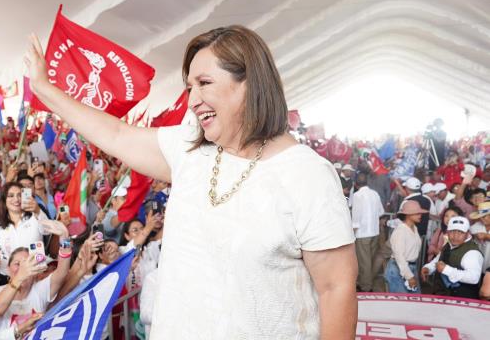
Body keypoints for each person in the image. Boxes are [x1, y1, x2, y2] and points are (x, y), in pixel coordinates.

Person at [25, 25, 356, 338]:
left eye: (204, 83)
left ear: (248, 84)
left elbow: (336, 289)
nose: (192, 99)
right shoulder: (188, 151)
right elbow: (115, 132)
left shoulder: (306, 175)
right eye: (189, 87)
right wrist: (44, 88)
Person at [0, 235, 71, 336]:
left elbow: (61, 272)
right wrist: (20, 276)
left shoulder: (38, 290)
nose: (23, 267)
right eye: (17, 264)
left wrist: (65, 238)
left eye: (27, 263)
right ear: (8, 269)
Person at [0, 183, 44, 278]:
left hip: (36, 274)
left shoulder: (35, 217)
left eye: (20, 195)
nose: (16, 199)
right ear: (4, 200)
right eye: (10, 196)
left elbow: (47, 231)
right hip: (8, 278)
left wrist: (38, 211)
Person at [421, 216, 484, 299]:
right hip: (443, 294)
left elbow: (473, 278)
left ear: (467, 233)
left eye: (460, 232)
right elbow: (439, 259)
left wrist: (446, 270)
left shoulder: (472, 252)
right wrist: (428, 268)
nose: (455, 236)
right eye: (452, 231)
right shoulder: (449, 244)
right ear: (447, 232)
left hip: (462, 299)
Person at [351, 173, 384, 292]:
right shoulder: (375, 194)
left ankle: (366, 287)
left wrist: (351, 235)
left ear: (355, 184)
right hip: (374, 232)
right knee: (369, 260)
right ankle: (364, 282)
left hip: (362, 233)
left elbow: (355, 218)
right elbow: (381, 212)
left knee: (364, 262)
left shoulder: (357, 195)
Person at [385, 200, 428, 293]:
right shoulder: (400, 231)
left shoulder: (414, 228)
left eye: (420, 213)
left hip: (409, 268)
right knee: (401, 302)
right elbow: (399, 256)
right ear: (408, 215)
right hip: (399, 268)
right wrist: (409, 276)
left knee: (412, 301)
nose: (420, 215)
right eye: (417, 213)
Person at [469, 202, 490, 270]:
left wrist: (486, 236)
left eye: (484, 216)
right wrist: (474, 236)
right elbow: (468, 235)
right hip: (479, 264)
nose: (481, 219)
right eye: (480, 217)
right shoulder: (476, 226)